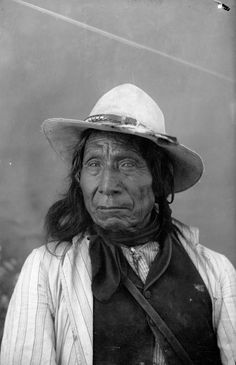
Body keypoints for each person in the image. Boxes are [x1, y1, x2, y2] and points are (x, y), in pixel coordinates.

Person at [1, 84, 236, 365]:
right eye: (94, 164)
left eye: (127, 163)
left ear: (160, 180)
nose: (107, 185)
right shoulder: (46, 270)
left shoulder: (217, 274)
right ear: (79, 177)